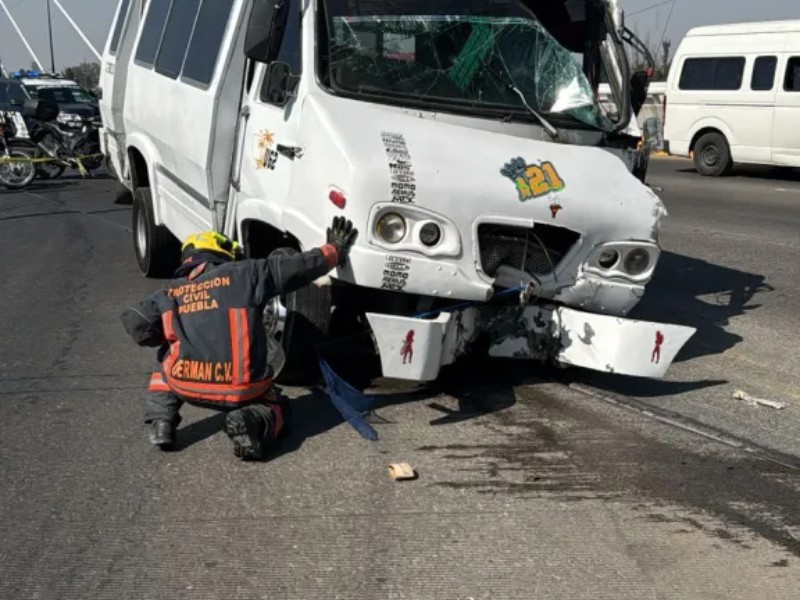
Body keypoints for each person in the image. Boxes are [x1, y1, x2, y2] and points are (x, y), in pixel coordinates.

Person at [120, 216, 358, 460]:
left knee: (164, 357)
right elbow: (298, 268)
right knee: (277, 406)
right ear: (221, 252)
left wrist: (172, 331)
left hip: (186, 385)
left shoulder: (170, 291)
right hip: (243, 389)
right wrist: (335, 249)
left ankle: (162, 422)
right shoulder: (246, 273)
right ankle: (252, 420)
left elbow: (136, 321)